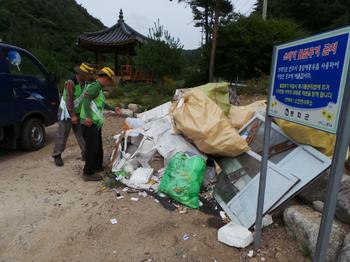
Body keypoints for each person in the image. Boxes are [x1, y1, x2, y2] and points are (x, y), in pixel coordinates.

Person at [80, 67, 121, 181]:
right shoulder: (95, 86)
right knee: (91, 148)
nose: (109, 83)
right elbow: (86, 99)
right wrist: (88, 116)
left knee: (97, 147)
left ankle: (97, 166)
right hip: (89, 123)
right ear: (103, 77)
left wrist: (113, 108)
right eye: (109, 80)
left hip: (95, 123)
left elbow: (101, 104)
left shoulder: (99, 88)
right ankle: (88, 173)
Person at [52, 62, 96, 166]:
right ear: (81, 74)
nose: (88, 78)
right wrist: (72, 115)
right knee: (63, 134)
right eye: (87, 75)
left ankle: (85, 153)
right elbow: (69, 100)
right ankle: (57, 155)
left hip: (77, 111)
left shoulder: (85, 83)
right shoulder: (71, 82)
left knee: (81, 133)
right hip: (66, 112)